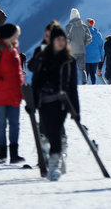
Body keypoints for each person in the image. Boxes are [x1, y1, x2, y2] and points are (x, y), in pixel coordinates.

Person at [31, 24, 79, 181]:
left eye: (63, 39)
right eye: (58, 39)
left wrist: (75, 110)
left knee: (56, 131)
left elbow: (72, 87)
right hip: (44, 101)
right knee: (48, 131)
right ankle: (54, 159)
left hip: (61, 102)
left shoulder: (69, 60)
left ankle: (54, 166)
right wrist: (32, 101)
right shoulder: (43, 57)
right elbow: (36, 81)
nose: (61, 42)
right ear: (52, 41)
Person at [0, 23, 26, 165]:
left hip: (13, 94)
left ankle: (14, 155)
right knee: (1, 125)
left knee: (14, 124)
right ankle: (2, 155)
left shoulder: (14, 48)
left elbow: (18, 71)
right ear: (9, 35)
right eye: (16, 34)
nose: (17, 37)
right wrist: (2, 84)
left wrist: (22, 87)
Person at [65, 8, 92, 84]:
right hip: (81, 50)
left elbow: (66, 39)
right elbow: (89, 38)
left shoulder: (68, 27)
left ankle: (70, 82)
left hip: (71, 51)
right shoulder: (84, 26)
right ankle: (84, 82)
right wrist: (83, 44)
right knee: (82, 69)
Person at [85, 18, 105, 84]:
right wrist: (102, 57)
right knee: (93, 73)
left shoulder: (83, 33)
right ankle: (94, 85)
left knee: (86, 74)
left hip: (86, 57)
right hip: (95, 57)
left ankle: (85, 86)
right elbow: (101, 47)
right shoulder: (98, 34)